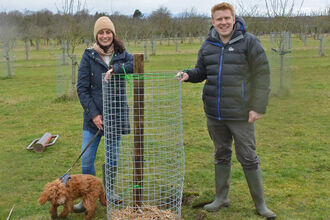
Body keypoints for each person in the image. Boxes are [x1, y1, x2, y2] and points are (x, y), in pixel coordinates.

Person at [176, 2, 276, 219]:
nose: (223, 22)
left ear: (234, 18)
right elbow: (202, 71)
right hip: (215, 114)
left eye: (226, 18)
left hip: (241, 114)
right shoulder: (208, 45)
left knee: (248, 157)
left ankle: (261, 204)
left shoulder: (249, 42)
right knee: (221, 154)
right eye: (218, 19)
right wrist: (188, 75)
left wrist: (258, 107)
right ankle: (221, 198)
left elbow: (262, 74)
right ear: (213, 22)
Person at [75, 16, 133, 212]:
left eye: (108, 32)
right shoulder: (88, 55)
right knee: (87, 160)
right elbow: (82, 88)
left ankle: (109, 193)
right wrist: (94, 114)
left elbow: (137, 64)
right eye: (101, 32)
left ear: (113, 34)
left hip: (116, 116)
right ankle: (87, 197)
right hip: (93, 120)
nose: (105, 35)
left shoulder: (123, 54)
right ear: (96, 35)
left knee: (112, 158)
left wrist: (115, 69)